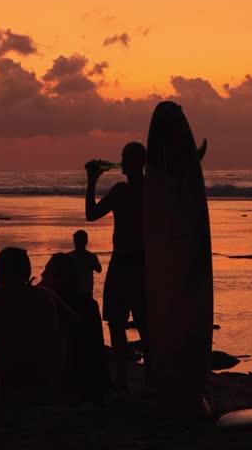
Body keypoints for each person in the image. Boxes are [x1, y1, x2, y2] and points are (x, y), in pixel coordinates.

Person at [142, 101, 213, 418]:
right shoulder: (166, 177)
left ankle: (170, 390)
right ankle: (183, 392)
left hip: (164, 260)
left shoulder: (154, 176)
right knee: (184, 319)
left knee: (166, 318)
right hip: (184, 256)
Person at [84, 141, 148, 389]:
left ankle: (122, 379)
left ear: (136, 161)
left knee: (119, 325)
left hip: (123, 265)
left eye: (124, 157)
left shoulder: (122, 191)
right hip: (140, 265)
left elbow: (91, 214)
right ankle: (146, 379)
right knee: (142, 325)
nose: (120, 160)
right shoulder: (152, 190)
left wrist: (91, 181)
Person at [0, 247, 68, 403]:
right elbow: (72, 321)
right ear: (27, 273)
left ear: (3, 273)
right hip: (46, 380)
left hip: (9, 385)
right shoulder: (46, 296)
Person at [40, 253, 108, 403]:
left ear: (58, 278)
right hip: (90, 381)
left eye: (47, 271)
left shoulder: (50, 304)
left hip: (71, 381)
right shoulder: (89, 304)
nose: (41, 274)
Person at [68, 230, 102, 299]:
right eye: (76, 241)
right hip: (75, 291)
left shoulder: (91, 257)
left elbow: (99, 270)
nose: (76, 243)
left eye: (77, 241)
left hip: (85, 291)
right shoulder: (69, 256)